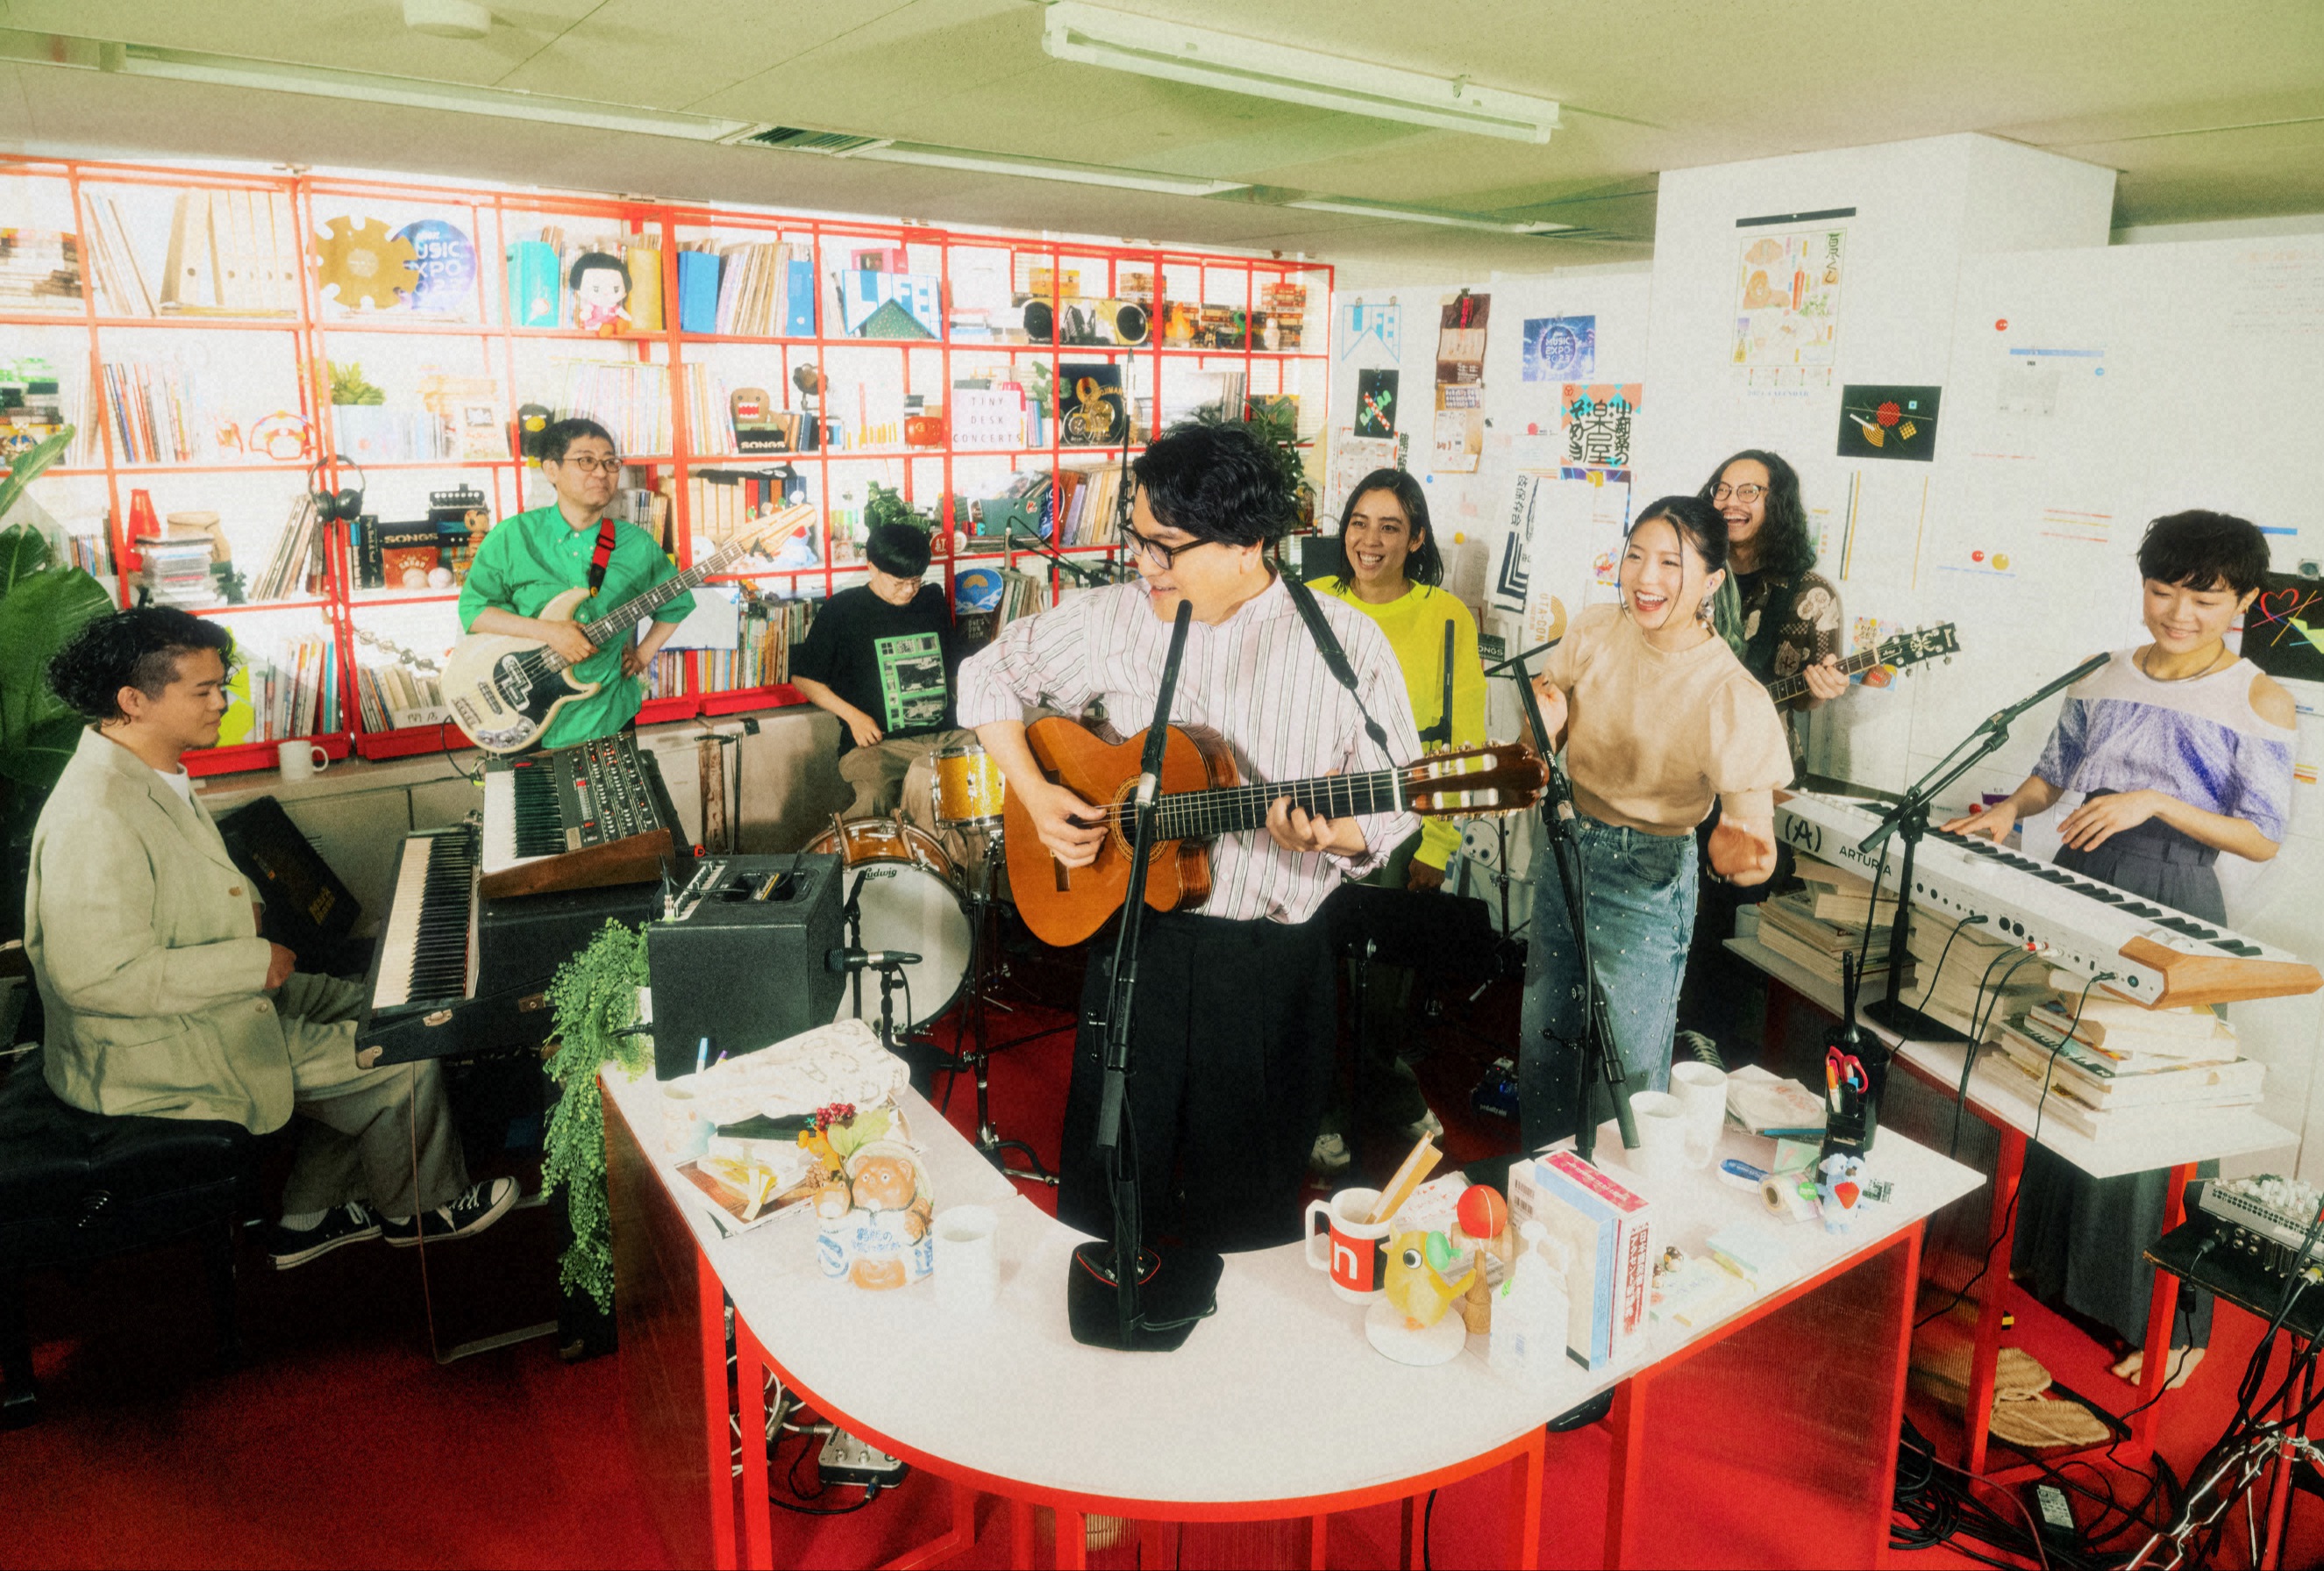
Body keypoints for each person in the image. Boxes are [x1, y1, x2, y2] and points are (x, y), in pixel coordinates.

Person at [959, 422, 1422, 1253]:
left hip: (1267, 969)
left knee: (1242, 1213)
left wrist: (1338, 833)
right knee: (1107, 1191)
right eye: (1139, 539)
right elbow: (985, 673)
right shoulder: (1116, 619)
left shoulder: (1345, 645)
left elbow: (1402, 798)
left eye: (1166, 547)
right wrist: (1034, 793)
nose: (1144, 563)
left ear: (1250, 542)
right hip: (1137, 944)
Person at [28, 609, 515, 1268]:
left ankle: (309, 1213)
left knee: (380, 1007)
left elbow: (184, 873)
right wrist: (250, 962)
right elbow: (94, 978)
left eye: (219, 683)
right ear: (133, 700)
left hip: (202, 1010)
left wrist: (248, 906)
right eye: (201, 691)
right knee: (403, 1056)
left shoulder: (145, 764)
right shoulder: (93, 812)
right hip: (152, 1051)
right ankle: (421, 1211)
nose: (222, 701)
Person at [1944, 510, 2295, 1375]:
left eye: (2203, 597)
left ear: (2243, 602)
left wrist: (2155, 802)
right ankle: (2059, 1280)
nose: (2177, 612)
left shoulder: (2257, 695)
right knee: (2070, 1074)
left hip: (2174, 889)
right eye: (2161, 589)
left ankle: (2173, 1329)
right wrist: (2003, 816)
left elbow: (2259, 835)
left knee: (2152, 1097)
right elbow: (2050, 777)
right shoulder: (2103, 674)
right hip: (2078, 874)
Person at [1521, 496, 1792, 1153]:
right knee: (1545, 1037)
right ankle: (1540, 1189)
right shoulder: (1594, 629)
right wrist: (1540, 728)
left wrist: (1738, 850)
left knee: (1629, 1071)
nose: (1646, 578)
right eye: (1636, 555)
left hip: (1648, 872)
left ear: (1711, 582)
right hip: (1564, 843)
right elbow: (1535, 729)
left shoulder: (1732, 694)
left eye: (1671, 562)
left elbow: (1756, 853)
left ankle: (1619, 1221)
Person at [1306, 469, 1486, 1170]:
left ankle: (1385, 1084)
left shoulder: (1447, 617)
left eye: (1389, 526)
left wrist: (1439, 840)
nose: (1369, 540)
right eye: (1358, 522)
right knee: (1316, 965)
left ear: (1416, 537)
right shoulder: (1310, 600)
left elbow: (1463, 743)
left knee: (1385, 982)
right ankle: (1322, 1104)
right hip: (1313, 812)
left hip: (1400, 818)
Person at [1677, 449, 1849, 1062]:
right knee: (1672, 915)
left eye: (1750, 491)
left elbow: (1802, 695)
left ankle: (1716, 1057)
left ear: (1777, 505)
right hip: (1674, 770)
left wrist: (1821, 686)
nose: (1731, 502)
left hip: (1750, 783)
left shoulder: (1809, 594)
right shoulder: (1689, 571)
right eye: (1722, 488)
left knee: (1729, 927)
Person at [458, 418, 695, 749]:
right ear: (551, 470)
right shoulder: (512, 536)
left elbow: (677, 603)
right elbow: (475, 611)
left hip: (607, 714)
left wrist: (643, 654)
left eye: (610, 462)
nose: (601, 473)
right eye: (586, 461)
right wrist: (551, 633)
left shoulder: (637, 544)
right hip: (522, 717)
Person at [789, 521, 969, 823]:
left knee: (995, 763)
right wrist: (854, 717)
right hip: (880, 747)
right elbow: (804, 678)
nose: (910, 590)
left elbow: (953, 669)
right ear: (871, 568)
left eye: (916, 580)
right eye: (899, 583)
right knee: (875, 796)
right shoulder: (843, 610)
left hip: (946, 736)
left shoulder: (931, 601)